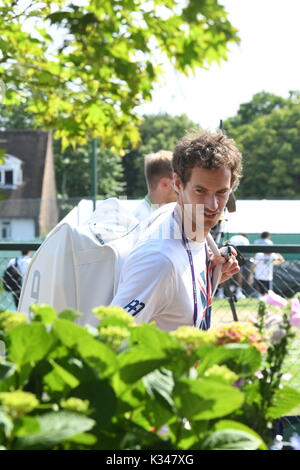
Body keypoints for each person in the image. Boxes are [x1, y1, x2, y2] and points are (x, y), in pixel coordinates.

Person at [111, 130, 242, 331]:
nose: (213, 205)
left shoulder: (185, 225)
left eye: (222, 192)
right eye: (201, 191)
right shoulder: (159, 260)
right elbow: (110, 335)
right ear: (178, 183)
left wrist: (209, 276)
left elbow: (175, 300)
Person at [133, 150, 177, 221]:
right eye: (178, 182)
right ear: (164, 184)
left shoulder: (164, 215)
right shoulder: (141, 221)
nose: (183, 188)